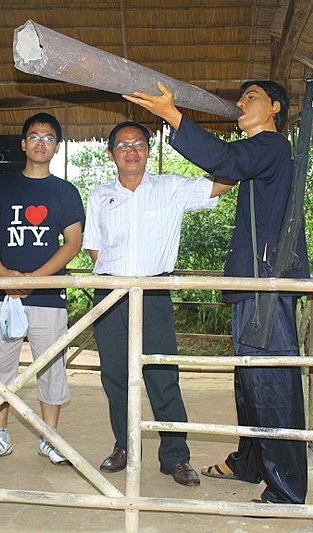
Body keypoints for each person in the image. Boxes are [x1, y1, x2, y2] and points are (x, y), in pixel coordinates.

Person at [123, 81, 310, 504]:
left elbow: (225, 159)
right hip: (254, 279)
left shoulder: (272, 144)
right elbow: (227, 166)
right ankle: (250, 462)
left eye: (253, 97)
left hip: (267, 281)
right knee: (249, 378)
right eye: (241, 98)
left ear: (276, 107)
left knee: (271, 381)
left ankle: (286, 487)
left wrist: (174, 116)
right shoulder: (260, 153)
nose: (242, 103)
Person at [83, 121, 233, 487]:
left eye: (138, 144)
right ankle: (125, 446)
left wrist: (207, 146)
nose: (131, 151)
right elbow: (94, 247)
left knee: (163, 376)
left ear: (148, 151)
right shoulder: (99, 195)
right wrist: (117, 278)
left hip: (154, 293)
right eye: (123, 145)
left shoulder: (171, 187)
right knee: (116, 376)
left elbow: (225, 181)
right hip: (111, 294)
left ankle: (175, 457)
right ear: (111, 154)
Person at [0, 113, 84, 466]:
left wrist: (36, 279)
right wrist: (2, 274)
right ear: (23, 143)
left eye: (47, 138)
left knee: (51, 366)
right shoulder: (0, 187)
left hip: (49, 297)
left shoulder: (65, 191)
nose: (39, 142)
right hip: (2, 296)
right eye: (33, 136)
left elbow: (73, 242)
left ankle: (49, 438)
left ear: (57, 146)